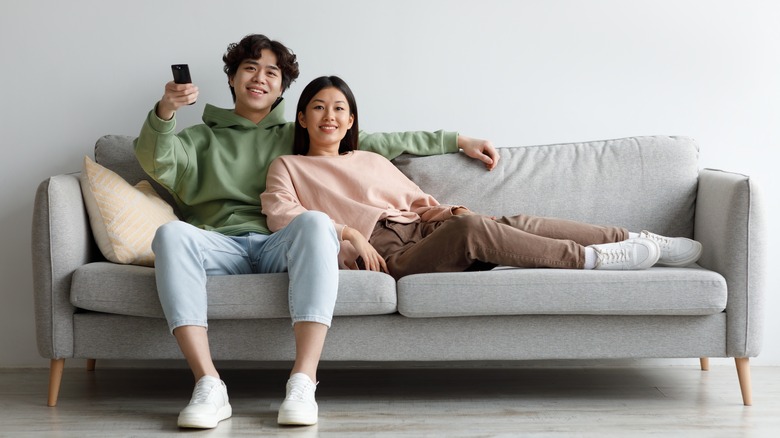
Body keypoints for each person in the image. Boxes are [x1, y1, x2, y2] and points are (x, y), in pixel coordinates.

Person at [134, 35, 500, 429]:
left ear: (282, 87)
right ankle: (208, 384)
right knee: (170, 235)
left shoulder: (299, 133)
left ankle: (303, 382)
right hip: (219, 243)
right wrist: (166, 111)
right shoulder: (196, 139)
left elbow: (377, 143)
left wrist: (457, 139)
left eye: (271, 72)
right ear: (232, 78)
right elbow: (157, 159)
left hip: (283, 241)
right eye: (250, 69)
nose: (259, 78)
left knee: (314, 221)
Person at [262, 76, 703, 284]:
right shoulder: (289, 167)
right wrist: (351, 237)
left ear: (351, 119)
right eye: (318, 107)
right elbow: (285, 218)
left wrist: (451, 212)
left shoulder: (371, 158)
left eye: (339, 108)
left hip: (425, 229)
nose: (329, 115)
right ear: (302, 117)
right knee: (472, 230)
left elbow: (419, 203)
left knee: (513, 221)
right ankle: (593, 261)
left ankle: (635, 238)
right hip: (389, 254)